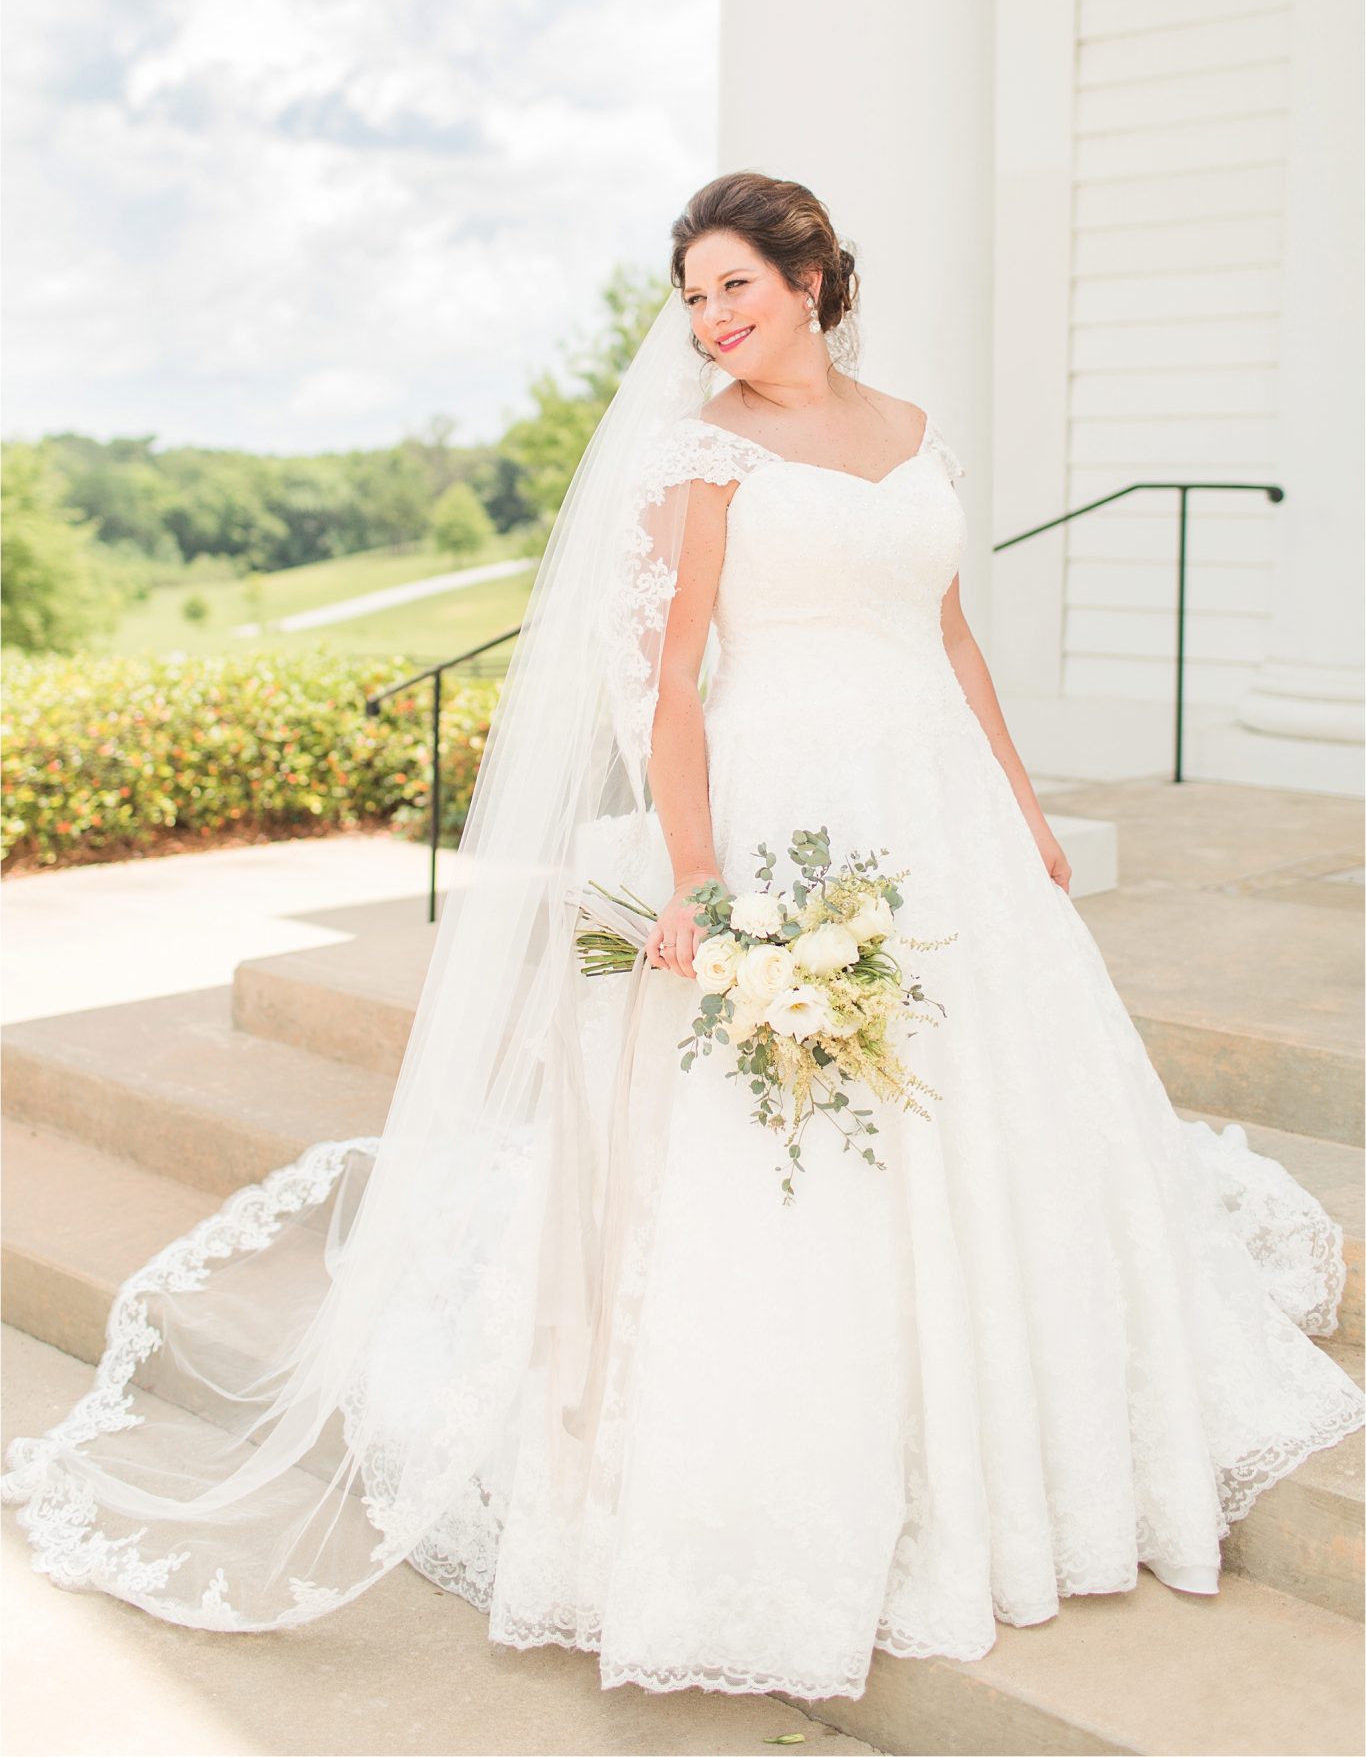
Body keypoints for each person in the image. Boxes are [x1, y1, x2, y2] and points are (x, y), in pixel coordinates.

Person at [4, 171, 1362, 1701]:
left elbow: (953, 633)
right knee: (800, 1130)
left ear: (810, 280)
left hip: (941, 808)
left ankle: (1031, 1426)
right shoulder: (698, 455)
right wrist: (700, 883)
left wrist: (1023, 805)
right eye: (694, 295)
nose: (713, 319)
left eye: (737, 286)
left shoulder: (914, 431)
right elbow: (660, 687)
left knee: (999, 1097)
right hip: (784, 802)